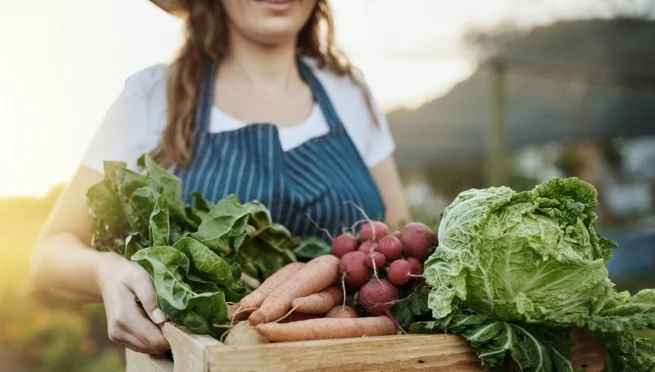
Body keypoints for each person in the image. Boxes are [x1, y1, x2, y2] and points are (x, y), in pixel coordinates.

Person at [30, 0, 410, 356]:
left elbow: (400, 240)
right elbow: (49, 255)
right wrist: (107, 271)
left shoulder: (349, 93)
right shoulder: (152, 97)